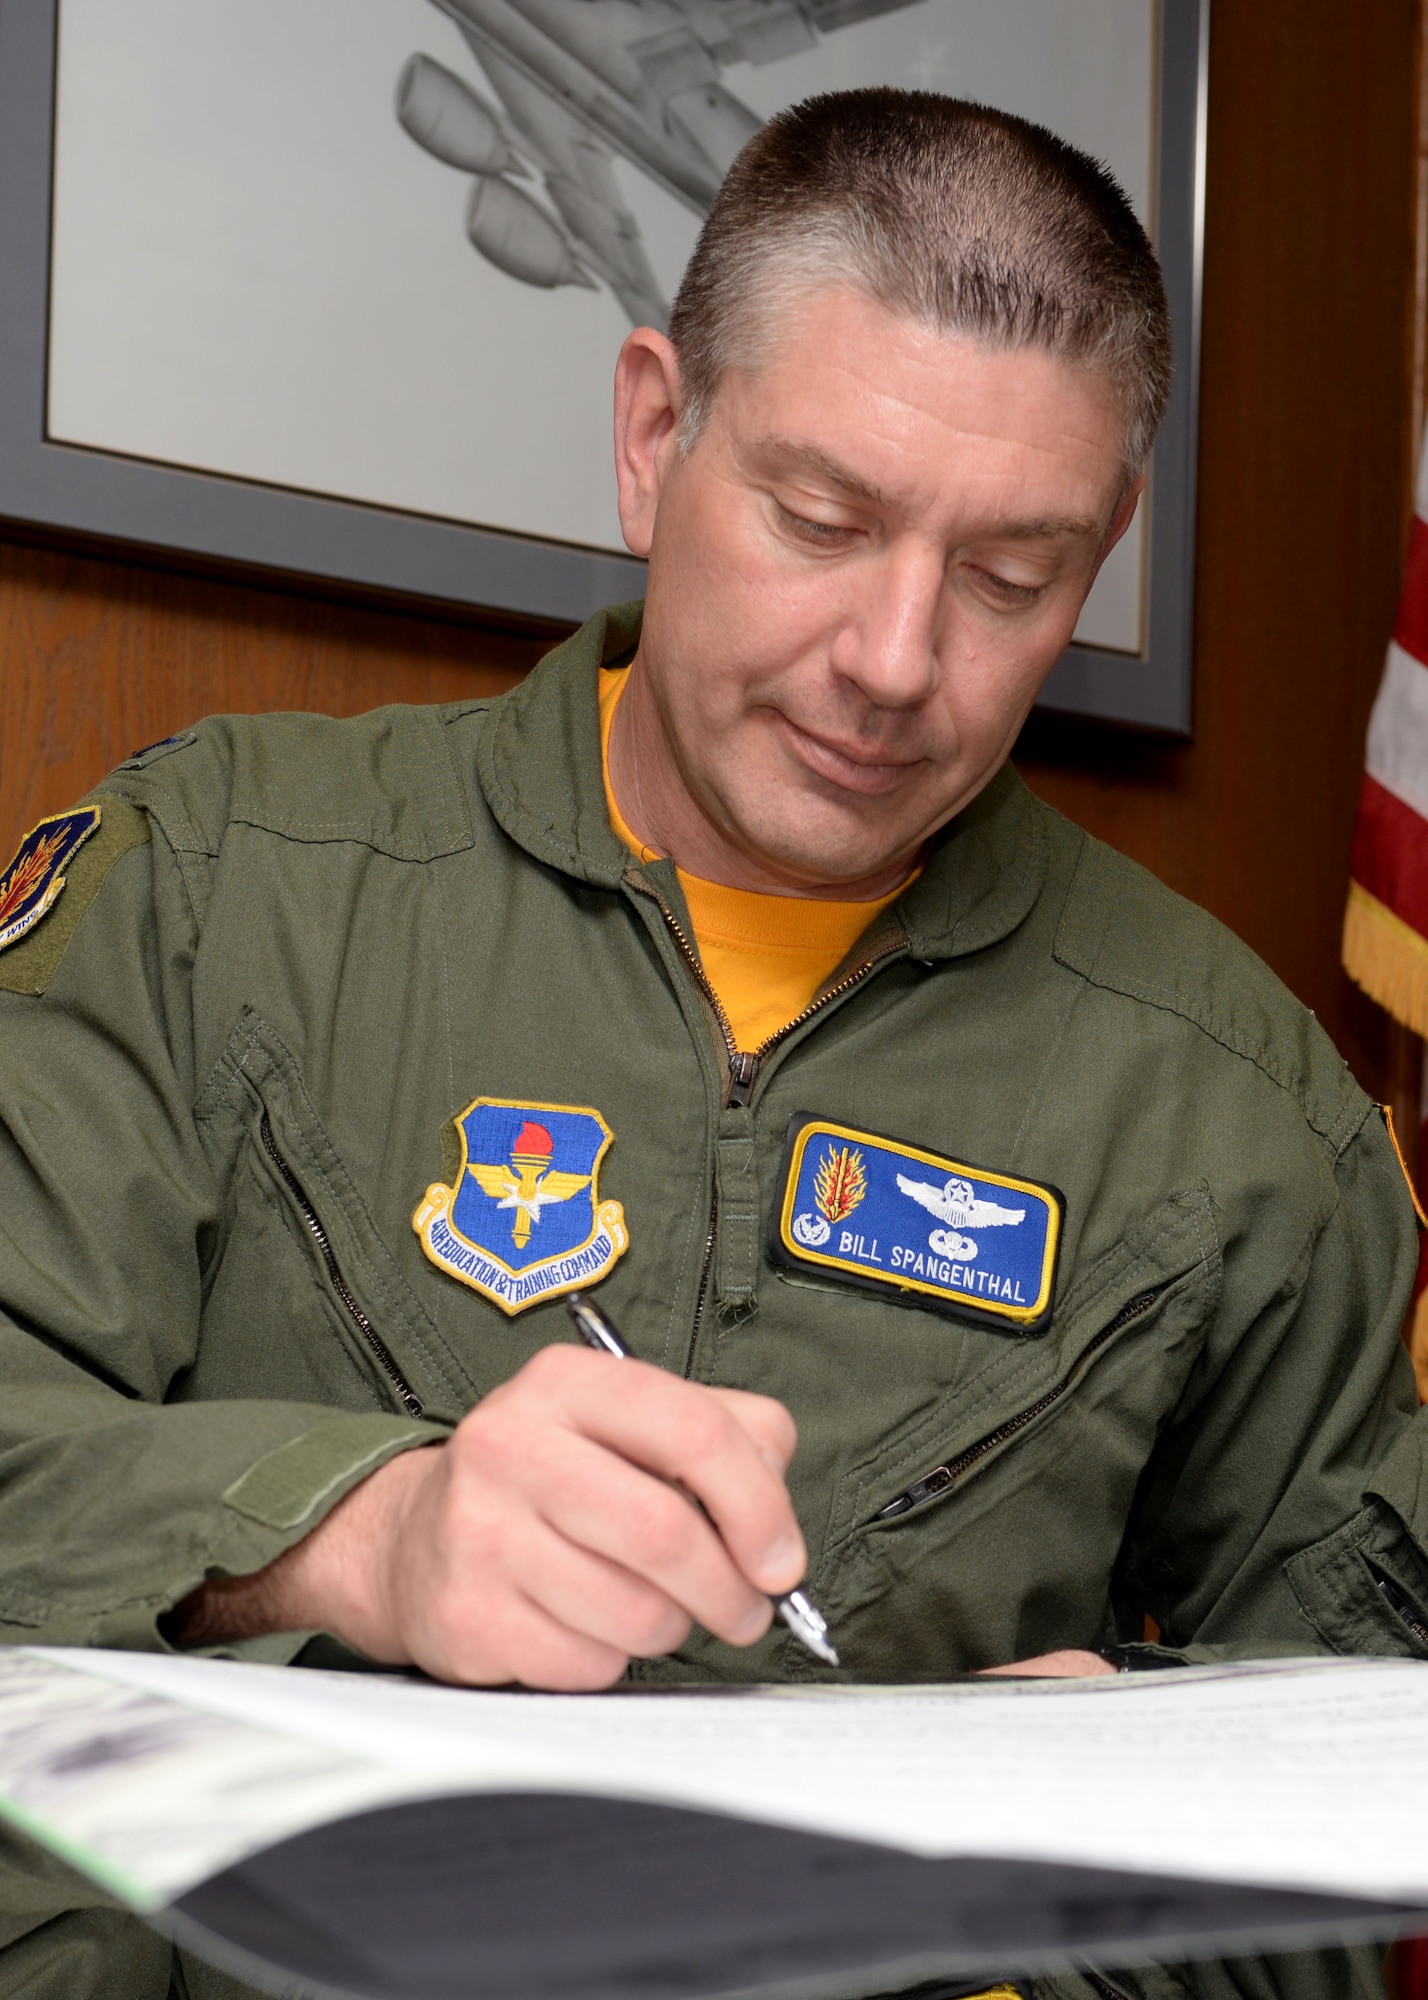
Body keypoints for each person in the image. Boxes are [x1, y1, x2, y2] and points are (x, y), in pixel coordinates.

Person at [0, 85, 1423, 2000]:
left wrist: (1055, 1896)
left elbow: (1352, 1806)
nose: (897, 660)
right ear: (655, 434)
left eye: (1015, 578)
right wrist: (343, 1533)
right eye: (821, 520)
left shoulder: (1242, 1114)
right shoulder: (216, 885)